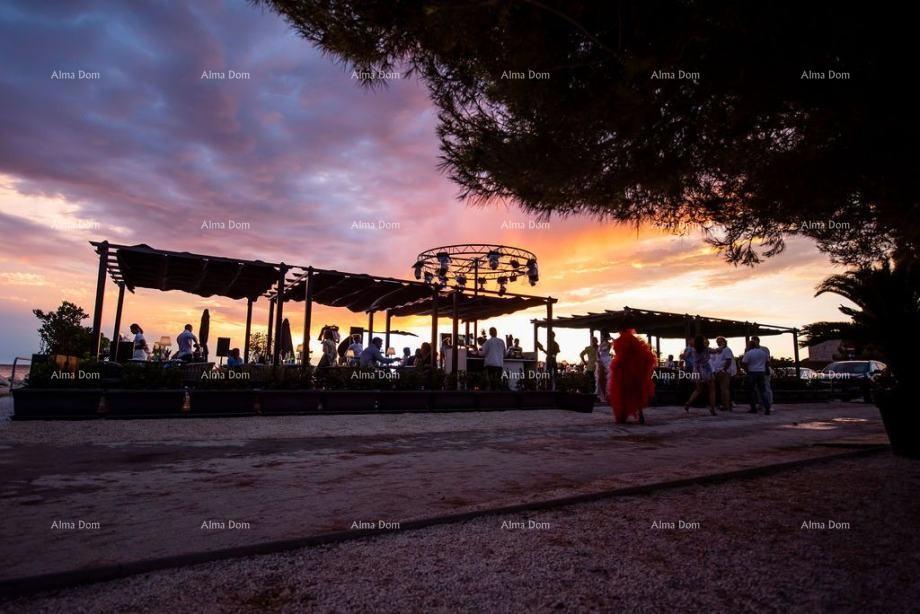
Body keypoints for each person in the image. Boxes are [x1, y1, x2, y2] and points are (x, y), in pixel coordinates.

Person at [607, 328, 657, 424]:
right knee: (636, 392)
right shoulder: (634, 341)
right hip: (633, 371)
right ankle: (638, 414)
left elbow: (619, 354)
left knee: (623, 393)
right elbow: (643, 355)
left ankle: (622, 416)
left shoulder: (620, 341)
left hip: (623, 371)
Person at [684, 335, 716, 415]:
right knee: (712, 389)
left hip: (697, 370)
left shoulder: (692, 349)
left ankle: (688, 403)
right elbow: (717, 351)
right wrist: (722, 346)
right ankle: (712, 408)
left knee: (698, 389)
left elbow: (684, 356)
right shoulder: (706, 349)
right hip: (706, 370)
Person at [742, 336, 772, 415]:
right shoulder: (763, 353)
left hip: (752, 372)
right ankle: (767, 408)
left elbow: (744, 363)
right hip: (761, 372)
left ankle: (753, 408)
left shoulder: (749, 353)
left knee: (751, 391)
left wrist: (747, 370)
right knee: (763, 390)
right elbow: (768, 362)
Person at [711, 336, 736, 411]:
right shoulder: (719, 350)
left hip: (724, 372)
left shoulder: (727, 350)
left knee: (725, 389)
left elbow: (728, 360)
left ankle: (727, 405)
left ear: (724, 342)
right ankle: (724, 404)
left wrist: (724, 370)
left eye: (720, 341)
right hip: (718, 371)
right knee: (722, 389)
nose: (719, 343)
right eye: (718, 341)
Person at [596, 330, 612, 402]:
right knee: (599, 378)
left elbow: (605, 350)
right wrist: (598, 359)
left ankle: (608, 395)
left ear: (605, 337)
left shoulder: (608, 344)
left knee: (608, 377)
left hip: (607, 360)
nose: (601, 338)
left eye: (602, 336)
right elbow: (598, 352)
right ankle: (601, 396)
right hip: (601, 360)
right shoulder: (601, 344)